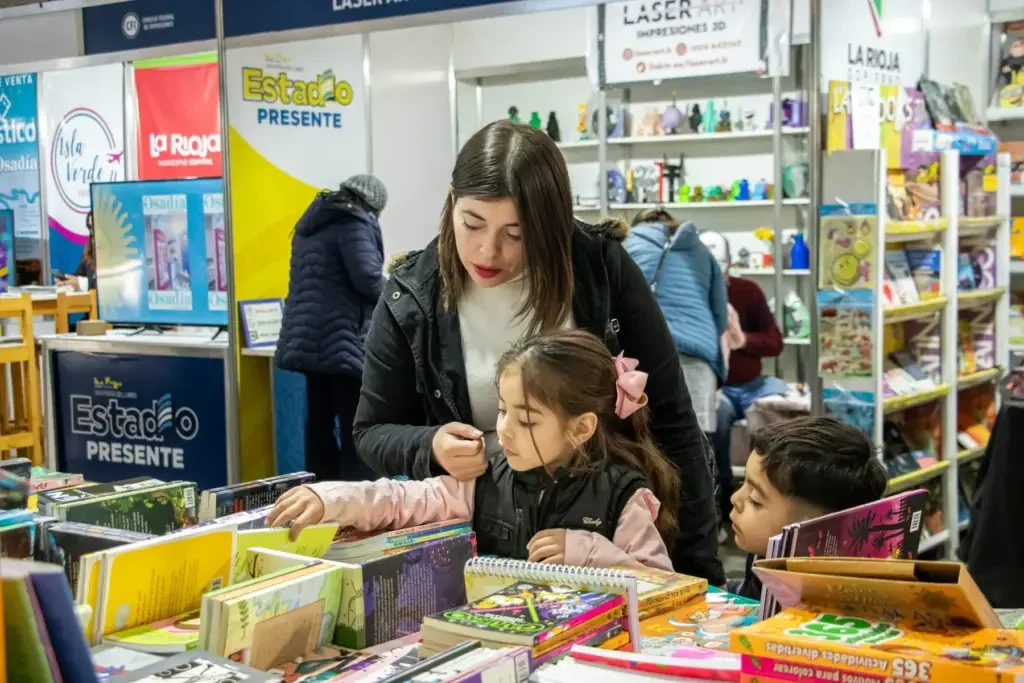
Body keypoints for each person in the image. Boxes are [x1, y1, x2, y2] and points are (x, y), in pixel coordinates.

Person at [353, 120, 723, 584]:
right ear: (451, 201)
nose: (488, 251)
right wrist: (429, 445)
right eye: (471, 223)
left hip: (610, 543)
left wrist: (700, 575)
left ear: (551, 223)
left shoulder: (600, 270)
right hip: (481, 552)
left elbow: (673, 423)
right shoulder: (411, 294)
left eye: (516, 233)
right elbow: (371, 430)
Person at [268, 330, 676, 570]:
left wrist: (588, 552)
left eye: (526, 421)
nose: (504, 430)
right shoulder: (485, 479)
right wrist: (330, 498)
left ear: (581, 428)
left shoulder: (623, 496)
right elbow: (403, 499)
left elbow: (663, 584)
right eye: (501, 410)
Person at [275, 175, 388, 482]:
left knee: (319, 422)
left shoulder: (313, 221)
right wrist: (399, 290)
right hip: (343, 341)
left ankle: (320, 491)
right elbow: (368, 280)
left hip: (308, 341)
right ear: (372, 205)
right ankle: (355, 494)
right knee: (356, 425)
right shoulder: (354, 223)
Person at [729, 417, 887, 599]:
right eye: (742, 483)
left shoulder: (814, 599)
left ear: (810, 530)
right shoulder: (763, 553)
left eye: (755, 500)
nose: (735, 499)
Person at [699, 231, 786, 524]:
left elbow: (775, 342)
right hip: (715, 388)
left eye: (718, 261)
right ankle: (726, 506)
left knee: (780, 408)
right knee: (715, 422)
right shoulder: (689, 296)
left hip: (753, 384)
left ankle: (777, 498)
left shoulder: (747, 291)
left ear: (730, 263)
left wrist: (744, 340)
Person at [624, 209, 728, 438]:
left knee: (648, 437)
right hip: (697, 353)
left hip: (647, 350)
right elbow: (720, 317)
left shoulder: (628, 246)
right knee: (698, 439)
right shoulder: (701, 252)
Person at [59, 211, 96, 291]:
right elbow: (78, 276)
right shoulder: (89, 252)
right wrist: (67, 282)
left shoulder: (116, 251)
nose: (92, 230)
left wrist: (83, 284)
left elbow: (112, 282)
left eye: (95, 226)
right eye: (90, 227)